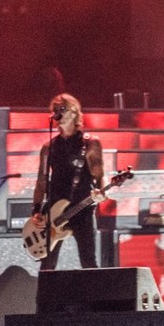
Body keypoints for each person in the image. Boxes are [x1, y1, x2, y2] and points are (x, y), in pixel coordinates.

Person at [29, 93, 106, 270]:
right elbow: (41, 181)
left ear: (74, 112)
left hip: (81, 210)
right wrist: (36, 210)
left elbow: (100, 175)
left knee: (88, 262)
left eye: (62, 109)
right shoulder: (49, 147)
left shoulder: (90, 143)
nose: (57, 114)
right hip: (54, 211)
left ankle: (93, 298)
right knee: (47, 265)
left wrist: (101, 192)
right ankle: (45, 297)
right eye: (55, 110)